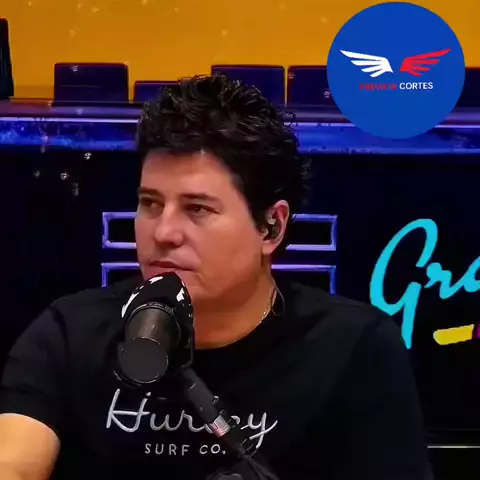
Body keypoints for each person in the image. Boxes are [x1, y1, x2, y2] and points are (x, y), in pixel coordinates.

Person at [0, 73, 431, 480]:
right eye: (151, 203)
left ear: (271, 227)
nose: (163, 233)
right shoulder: (69, 334)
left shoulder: (354, 348)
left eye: (197, 209)